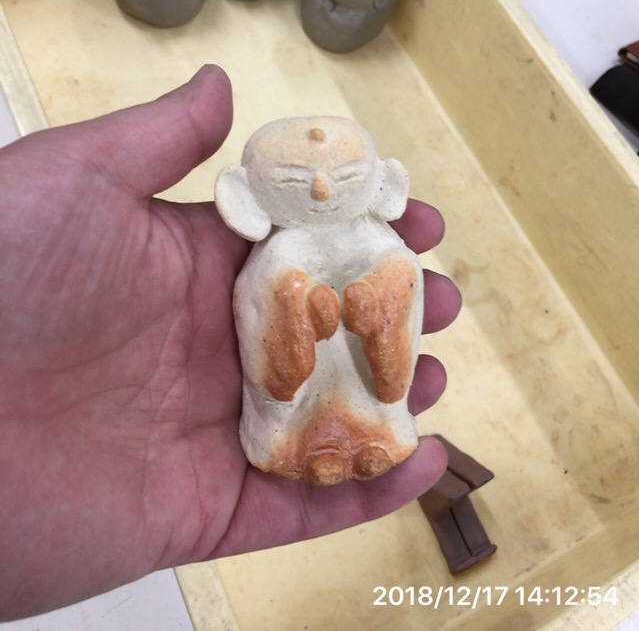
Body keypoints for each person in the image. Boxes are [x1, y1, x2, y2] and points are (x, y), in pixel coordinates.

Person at [0, 65, 461, 621]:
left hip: (362, 371)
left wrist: (380, 304)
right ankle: (303, 436)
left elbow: (397, 272)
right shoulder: (276, 254)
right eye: (295, 181)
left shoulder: (378, 241)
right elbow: (264, 296)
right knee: (284, 300)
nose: (321, 190)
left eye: (343, 175)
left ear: (384, 185)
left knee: (397, 282)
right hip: (295, 389)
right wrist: (296, 309)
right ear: (246, 197)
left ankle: (376, 422)